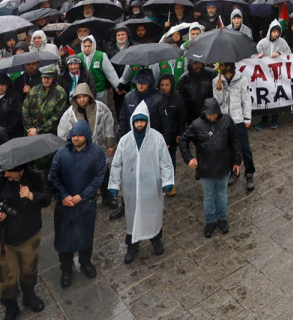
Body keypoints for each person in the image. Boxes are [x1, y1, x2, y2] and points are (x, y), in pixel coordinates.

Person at [109, 106, 175, 264]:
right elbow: (117, 164)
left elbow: (166, 163)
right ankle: (133, 245)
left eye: (142, 121)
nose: (139, 124)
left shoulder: (157, 138)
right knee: (132, 217)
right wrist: (114, 185)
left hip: (151, 187)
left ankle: (155, 239)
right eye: (136, 121)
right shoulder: (125, 141)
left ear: (147, 122)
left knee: (153, 215)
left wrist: (167, 181)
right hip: (132, 189)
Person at [0, 162, 50, 319]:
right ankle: (11, 306)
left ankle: (29, 297)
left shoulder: (36, 176)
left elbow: (47, 198)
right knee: (7, 275)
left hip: (29, 235)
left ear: (20, 170)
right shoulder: (0, 181)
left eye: (9, 171)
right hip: (6, 239)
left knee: (29, 269)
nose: (5, 174)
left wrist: (32, 195)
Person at [49, 120, 107, 288]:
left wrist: (82, 196)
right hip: (65, 207)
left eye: (79, 135)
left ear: (86, 137)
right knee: (64, 238)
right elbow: (53, 177)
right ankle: (66, 268)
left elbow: (98, 178)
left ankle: (85, 262)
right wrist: (63, 196)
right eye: (73, 135)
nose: (75, 138)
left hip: (85, 206)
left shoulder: (97, 153)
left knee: (86, 236)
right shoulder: (61, 153)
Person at [179, 98, 242, 238]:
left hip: (224, 166)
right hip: (205, 168)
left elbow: (235, 140)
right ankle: (210, 221)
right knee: (208, 197)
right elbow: (183, 141)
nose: (212, 117)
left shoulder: (227, 121)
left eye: (214, 114)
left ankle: (222, 219)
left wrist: (237, 161)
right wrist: (188, 159)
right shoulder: (196, 125)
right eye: (210, 114)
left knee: (222, 194)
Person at [212, 61, 255, 191]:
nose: (220, 68)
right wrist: (219, 90)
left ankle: (249, 173)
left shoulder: (242, 79)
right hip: (224, 121)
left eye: (222, 65)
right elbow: (217, 102)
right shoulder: (216, 80)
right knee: (228, 148)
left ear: (229, 66)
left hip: (238, 120)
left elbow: (246, 100)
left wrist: (247, 118)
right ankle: (234, 171)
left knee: (245, 148)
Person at [21, 65, 66, 136]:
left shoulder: (60, 92)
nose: (46, 80)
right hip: (30, 132)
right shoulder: (34, 90)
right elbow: (25, 109)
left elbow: (58, 115)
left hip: (49, 133)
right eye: (44, 77)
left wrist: (39, 130)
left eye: (49, 78)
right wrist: (30, 129)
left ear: (54, 78)